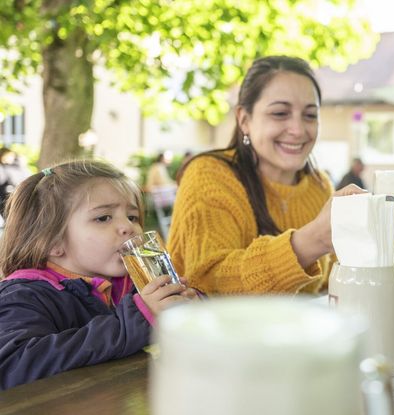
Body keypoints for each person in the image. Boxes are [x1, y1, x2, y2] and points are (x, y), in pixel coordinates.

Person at [168, 56, 363, 295]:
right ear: (244, 120)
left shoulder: (319, 185)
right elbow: (208, 282)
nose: (298, 130)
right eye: (280, 113)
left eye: (310, 115)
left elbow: (331, 286)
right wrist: (309, 243)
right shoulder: (208, 175)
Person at [0, 160, 196, 389]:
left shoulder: (127, 285)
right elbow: (12, 366)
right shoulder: (23, 296)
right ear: (52, 242)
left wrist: (187, 307)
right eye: (103, 218)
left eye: (132, 217)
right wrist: (138, 318)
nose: (128, 227)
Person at [0, 148, 30, 217]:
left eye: (10, 156)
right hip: (6, 197)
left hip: (20, 194)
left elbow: (28, 178)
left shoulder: (20, 166)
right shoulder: (2, 168)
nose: (8, 158)